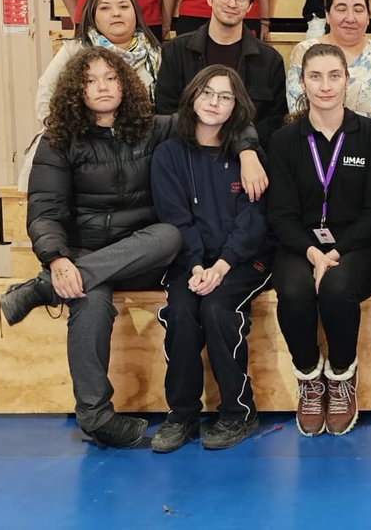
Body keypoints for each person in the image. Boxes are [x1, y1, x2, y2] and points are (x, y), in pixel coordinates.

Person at [0, 48, 265, 448]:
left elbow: (213, 114)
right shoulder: (57, 141)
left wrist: (247, 150)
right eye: (90, 81)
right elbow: (43, 212)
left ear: (125, 84)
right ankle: (96, 417)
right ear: (76, 90)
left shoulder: (149, 127)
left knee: (168, 236)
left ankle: (43, 289)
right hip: (87, 256)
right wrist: (56, 259)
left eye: (110, 77)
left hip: (145, 252)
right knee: (86, 301)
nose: (102, 87)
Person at [267, 43, 371, 437]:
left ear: (347, 80)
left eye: (334, 76)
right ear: (302, 82)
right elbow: (280, 214)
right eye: (315, 77)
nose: (325, 86)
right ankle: (308, 376)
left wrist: (333, 254)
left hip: (357, 246)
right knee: (293, 289)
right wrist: (312, 253)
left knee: (337, 287)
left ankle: (341, 376)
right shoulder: (285, 140)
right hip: (298, 245)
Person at [150, 66, 273, 453]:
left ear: (237, 106)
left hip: (241, 263)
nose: (214, 102)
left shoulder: (249, 157)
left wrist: (221, 266)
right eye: (207, 93)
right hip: (191, 263)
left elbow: (253, 221)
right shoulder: (169, 154)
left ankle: (238, 412)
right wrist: (199, 265)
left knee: (219, 310)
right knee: (183, 312)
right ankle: (183, 414)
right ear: (191, 97)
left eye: (224, 96)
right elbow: (175, 217)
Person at [20, 0, 163, 190]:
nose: (116, 13)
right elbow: (46, 92)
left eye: (123, 6)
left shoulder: (155, 55)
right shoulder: (74, 50)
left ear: (135, 12)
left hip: (135, 145)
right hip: (81, 141)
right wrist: (69, 130)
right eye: (105, 8)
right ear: (92, 15)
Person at [155, 0, 287, 147]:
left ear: (249, 6)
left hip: (248, 158)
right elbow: (166, 110)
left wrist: (242, 148)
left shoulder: (270, 60)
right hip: (188, 153)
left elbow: (274, 121)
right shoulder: (176, 51)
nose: (232, 4)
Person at [286, 0, 371, 136]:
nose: (350, 18)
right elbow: (297, 112)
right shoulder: (304, 52)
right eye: (341, 9)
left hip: (366, 150)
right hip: (312, 147)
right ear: (327, 15)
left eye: (358, 10)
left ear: (368, 17)